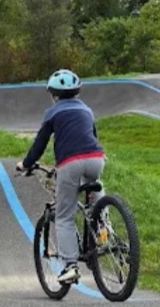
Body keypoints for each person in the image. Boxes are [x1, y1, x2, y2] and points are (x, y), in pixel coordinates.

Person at [15, 69, 105, 285]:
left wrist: (25, 164)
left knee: (64, 216)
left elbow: (40, 145)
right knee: (94, 186)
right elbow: (90, 137)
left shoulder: (52, 113)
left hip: (70, 163)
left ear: (53, 95)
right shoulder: (87, 110)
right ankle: (103, 223)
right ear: (77, 92)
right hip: (96, 158)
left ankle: (70, 266)